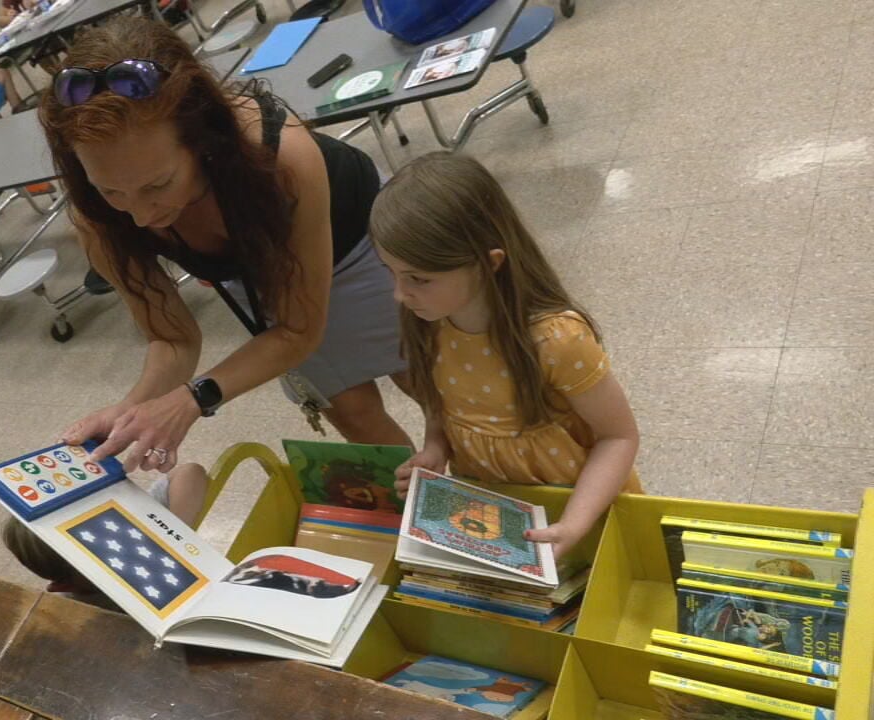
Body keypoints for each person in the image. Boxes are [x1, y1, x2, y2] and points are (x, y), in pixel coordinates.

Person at [42, 17, 413, 476]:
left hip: (362, 241)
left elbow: (298, 330)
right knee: (353, 411)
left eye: (158, 184)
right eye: (111, 191)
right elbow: (174, 338)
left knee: (427, 380)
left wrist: (192, 400)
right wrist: (134, 411)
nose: (140, 216)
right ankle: (434, 520)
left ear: (202, 139)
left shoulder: (281, 157)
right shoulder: (94, 218)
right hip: (263, 269)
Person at [370, 152, 641, 559]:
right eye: (390, 272)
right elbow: (440, 404)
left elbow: (618, 437)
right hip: (493, 509)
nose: (399, 294)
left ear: (487, 263)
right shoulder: (427, 318)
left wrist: (574, 524)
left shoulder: (556, 339)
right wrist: (435, 449)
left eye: (418, 278)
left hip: (579, 505)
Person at [2, 462, 210, 591]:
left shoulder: (137, 530)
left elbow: (190, 472)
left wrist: (175, 539)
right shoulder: (77, 606)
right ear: (62, 587)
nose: (122, 557)